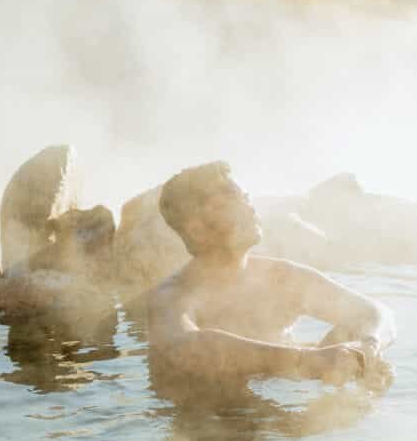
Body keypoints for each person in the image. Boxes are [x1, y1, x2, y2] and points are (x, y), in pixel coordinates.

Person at [147, 162, 396, 388]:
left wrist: (366, 347)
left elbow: (375, 313)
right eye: (232, 200)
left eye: (246, 197)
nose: (249, 207)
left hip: (277, 401)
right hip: (201, 421)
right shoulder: (172, 297)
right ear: (196, 228)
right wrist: (306, 361)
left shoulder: (281, 278)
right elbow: (190, 347)